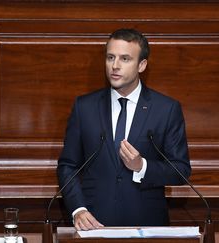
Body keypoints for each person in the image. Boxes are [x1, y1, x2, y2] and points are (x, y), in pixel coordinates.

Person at [57, 28, 191, 230]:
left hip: (147, 227)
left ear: (142, 65)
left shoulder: (166, 109)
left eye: (125, 59)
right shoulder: (84, 107)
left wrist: (142, 166)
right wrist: (78, 209)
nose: (115, 66)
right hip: (94, 226)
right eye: (110, 57)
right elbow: (68, 165)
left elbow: (180, 171)